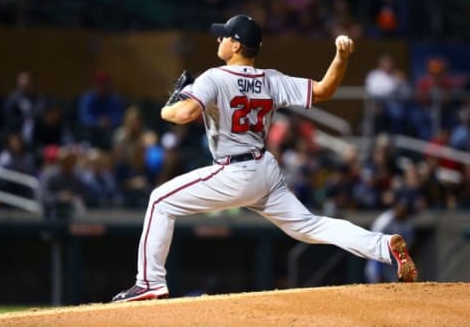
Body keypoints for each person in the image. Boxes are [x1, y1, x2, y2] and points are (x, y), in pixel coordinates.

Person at [112, 15, 418, 302]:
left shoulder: (214, 77)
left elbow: (184, 114)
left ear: (235, 44)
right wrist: (342, 57)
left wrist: (168, 106)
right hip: (264, 169)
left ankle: (150, 282)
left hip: (234, 171)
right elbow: (324, 90)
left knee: (159, 200)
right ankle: (383, 245)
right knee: (309, 226)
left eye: (223, 37)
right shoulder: (271, 79)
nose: (218, 41)